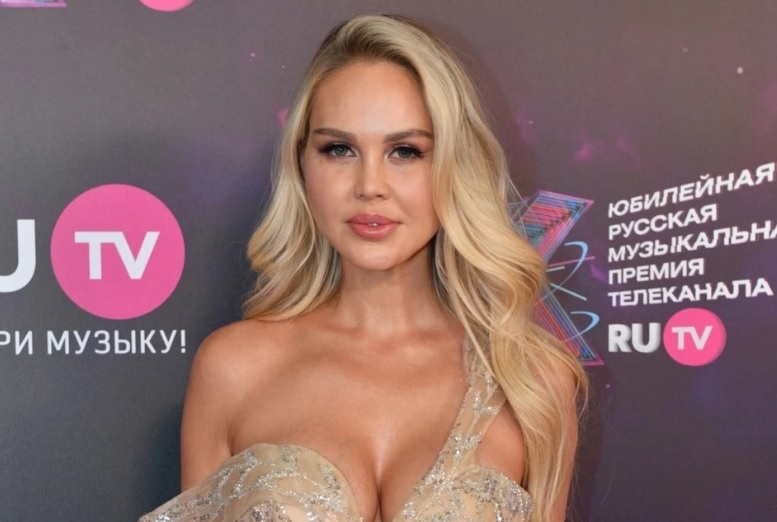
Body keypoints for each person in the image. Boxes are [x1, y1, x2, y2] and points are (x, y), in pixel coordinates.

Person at [140, 14, 587, 522]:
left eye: (405, 151)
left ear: (454, 165)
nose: (370, 185)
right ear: (302, 164)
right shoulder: (234, 367)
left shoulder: (531, 380)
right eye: (340, 149)